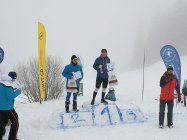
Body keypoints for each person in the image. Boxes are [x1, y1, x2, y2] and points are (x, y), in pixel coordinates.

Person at [0, 72, 21, 140]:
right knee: (15, 122)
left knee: (2, 123)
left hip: (1, 108)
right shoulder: (8, 85)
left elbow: (5, 93)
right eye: (14, 79)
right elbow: (10, 96)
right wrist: (18, 90)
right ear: (11, 78)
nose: (14, 80)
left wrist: (13, 90)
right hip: (8, 108)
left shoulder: (2, 82)